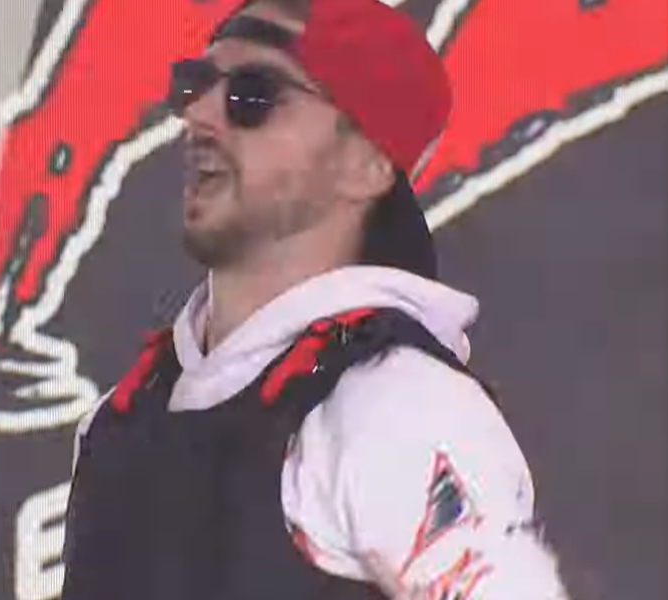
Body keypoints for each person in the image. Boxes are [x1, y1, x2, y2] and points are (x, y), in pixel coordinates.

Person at [58, 0, 572, 599]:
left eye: (253, 95)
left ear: (366, 164)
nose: (198, 115)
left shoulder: (395, 406)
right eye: (194, 84)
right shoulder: (120, 422)